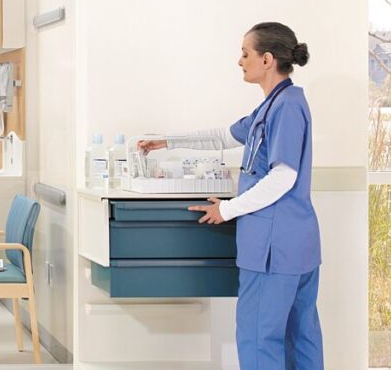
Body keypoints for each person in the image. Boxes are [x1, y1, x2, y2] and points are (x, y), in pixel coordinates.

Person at [138, 22, 321, 369]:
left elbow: (284, 176)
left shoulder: (286, 107)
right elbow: (224, 136)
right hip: (297, 244)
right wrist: (168, 141)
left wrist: (229, 209)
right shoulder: (275, 105)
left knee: (258, 337)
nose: (240, 61)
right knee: (300, 336)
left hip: (273, 248)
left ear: (266, 59)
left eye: (245, 53)